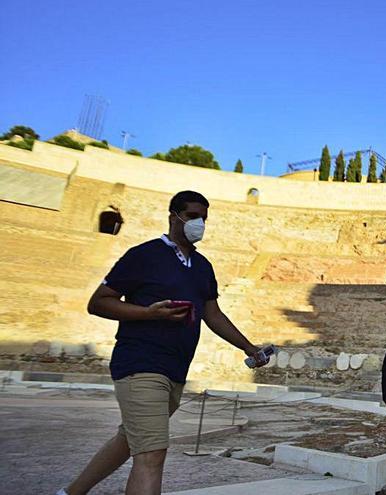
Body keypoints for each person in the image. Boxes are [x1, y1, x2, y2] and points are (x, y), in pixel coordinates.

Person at [58, 190, 269, 495]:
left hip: (175, 370)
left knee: (130, 439)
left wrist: (249, 347)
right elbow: (99, 303)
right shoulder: (143, 255)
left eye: (204, 219)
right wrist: (147, 313)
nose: (200, 224)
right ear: (175, 217)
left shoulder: (203, 266)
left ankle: (70, 493)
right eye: (194, 216)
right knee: (152, 454)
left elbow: (213, 313)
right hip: (140, 364)